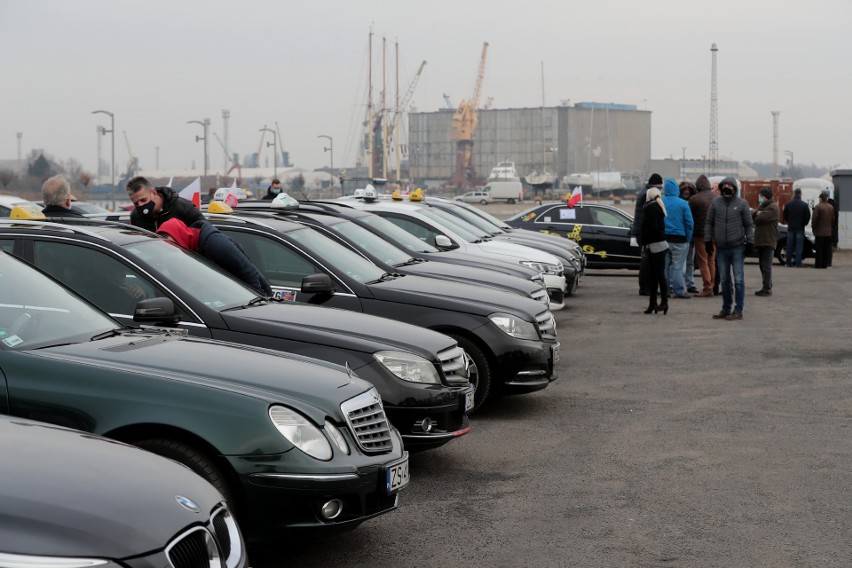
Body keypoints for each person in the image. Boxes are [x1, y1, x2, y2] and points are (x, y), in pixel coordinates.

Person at [156, 217, 273, 296]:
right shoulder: (187, 250)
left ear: (180, 236)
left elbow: (249, 273)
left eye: (173, 244)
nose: (172, 251)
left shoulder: (216, 244)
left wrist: (255, 304)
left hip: (254, 298)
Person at [705, 177, 754, 321]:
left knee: (738, 280)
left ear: (734, 188)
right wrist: (707, 240)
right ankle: (726, 308)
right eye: (724, 185)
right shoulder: (715, 203)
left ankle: (738, 310)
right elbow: (708, 223)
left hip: (737, 247)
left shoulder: (742, 204)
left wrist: (750, 241)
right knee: (725, 280)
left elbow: (749, 224)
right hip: (721, 248)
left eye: (729, 186)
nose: (727, 188)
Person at [126, 176, 204, 232]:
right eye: (136, 203)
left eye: (143, 200)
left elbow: (204, 233)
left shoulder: (184, 208)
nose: (140, 205)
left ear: (154, 192)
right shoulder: (136, 216)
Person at [630, 173, 663, 296]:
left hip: (643, 231)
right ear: (657, 184)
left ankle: (647, 287)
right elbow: (648, 216)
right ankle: (645, 288)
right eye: (661, 184)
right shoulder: (648, 194)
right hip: (645, 232)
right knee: (647, 262)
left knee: (647, 261)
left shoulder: (646, 191)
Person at [662, 178, 694, 299]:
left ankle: (666, 289)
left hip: (664, 239)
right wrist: (688, 238)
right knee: (677, 266)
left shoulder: (661, 202)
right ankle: (678, 290)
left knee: (666, 265)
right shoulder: (683, 204)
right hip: (680, 239)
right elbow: (689, 223)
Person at [639, 187, 669, 314]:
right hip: (659, 245)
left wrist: (642, 239)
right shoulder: (657, 206)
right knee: (656, 275)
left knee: (657, 276)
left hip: (655, 245)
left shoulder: (650, 207)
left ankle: (661, 303)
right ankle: (655, 303)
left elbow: (652, 228)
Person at [689, 175, 716, 297]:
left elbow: (690, 218)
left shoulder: (694, 199)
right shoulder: (717, 198)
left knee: (703, 261)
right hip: (714, 235)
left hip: (700, 235)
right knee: (711, 260)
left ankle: (707, 287)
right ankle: (712, 285)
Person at [752, 187, 779, 296]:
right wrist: (756, 212)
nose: (760, 198)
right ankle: (766, 285)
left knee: (766, 265)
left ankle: (767, 288)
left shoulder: (772, 207)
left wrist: (757, 214)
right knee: (762, 265)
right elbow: (755, 216)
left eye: (761, 196)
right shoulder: (764, 206)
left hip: (768, 241)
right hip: (762, 240)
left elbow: (759, 219)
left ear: (765, 196)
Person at [781, 188, 810, 267]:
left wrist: (789, 222)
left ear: (794, 194)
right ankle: (798, 263)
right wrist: (803, 224)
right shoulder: (804, 205)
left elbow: (784, 216)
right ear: (800, 194)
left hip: (790, 227)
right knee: (799, 246)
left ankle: (788, 262)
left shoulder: (788, 204)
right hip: (800, 228)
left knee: (789, 245)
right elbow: (807, 217)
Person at [679, 181, 698, 294]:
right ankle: (678, 284)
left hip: (690, 237)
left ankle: (690, 284)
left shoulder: (693, 203)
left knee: (689, 262)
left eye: (689, 190)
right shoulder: (679, 203)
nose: (686, 191)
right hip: (680, 237)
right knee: (678, 263)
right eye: (684, 190)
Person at [812, 191, 834, 269]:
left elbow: (814, 219)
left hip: (819, 232)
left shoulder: (818, 207)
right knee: (827, 249)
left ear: (821, 199)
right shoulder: (831, 207)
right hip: (828, 232)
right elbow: (833, 219)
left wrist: (813, 228)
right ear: (827, 198)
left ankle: (819, 264)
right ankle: (826, 264)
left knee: (819, 249)